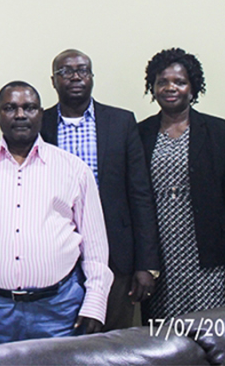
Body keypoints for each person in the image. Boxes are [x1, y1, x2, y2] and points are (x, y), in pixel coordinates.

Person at [0, 81, 112, 346]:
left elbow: (95, 245)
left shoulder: (73, 169)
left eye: (29, 108)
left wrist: (94, 302)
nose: (20, 115)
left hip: (60, 309)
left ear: (41, 114)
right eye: (10, 108)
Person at [40, 49, 160, 329]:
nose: (75, 77)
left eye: (83, 70)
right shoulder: (40, 124)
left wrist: (147, 264)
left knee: (115, 344)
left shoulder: (120, 122)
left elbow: (140, 195)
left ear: (92, 77)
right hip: (57, 256)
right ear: (53, 80)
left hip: (115, 256)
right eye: (66, 71)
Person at [137, 48, 225, 320]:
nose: (170, 88)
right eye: (162, 81)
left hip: (212, 255)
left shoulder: (218, 130)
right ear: (152, 88)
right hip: (162, 255)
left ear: (193, 87)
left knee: (217, 333)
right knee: (169, 337)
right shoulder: (140, 133)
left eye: (179, 81)